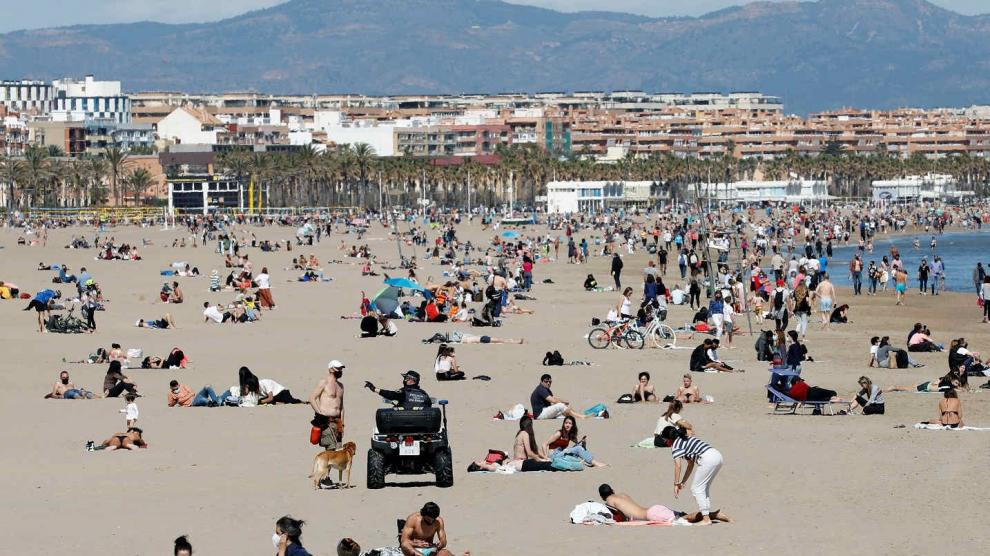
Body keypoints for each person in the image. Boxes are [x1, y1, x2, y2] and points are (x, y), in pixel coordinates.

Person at [659, 426, 726, 526]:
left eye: (665, 440)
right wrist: (683, 482)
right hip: (717, 456)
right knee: (703, 488)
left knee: (696, 489)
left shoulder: (676, 446)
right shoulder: (685, 438)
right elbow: (690, 464)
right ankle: (707, 514)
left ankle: (706, 519)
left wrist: (676, 484)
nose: (665, 442)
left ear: (669, 439)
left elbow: (678, 466)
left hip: (708, 459)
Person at [597, 484, 685, 523]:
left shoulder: (609, 500)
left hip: (651, 514)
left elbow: (617, 516)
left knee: (684, 519)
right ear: (613, 490)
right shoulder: (622, 494)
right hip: (654, 509)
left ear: (602, 497)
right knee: (683, 516)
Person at [310, 361, 346, 445]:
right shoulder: (324, 382)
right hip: (327, 422)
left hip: (337, 423)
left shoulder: (341, 386)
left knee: (339, 450)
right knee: (331, 451)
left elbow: (341, 408)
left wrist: (342, 425)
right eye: (338, 368)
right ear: (330, 369)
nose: (340, 371)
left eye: (341, 369)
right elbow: (312, 398)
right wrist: (320, 414)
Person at [366, 370, 432, 409]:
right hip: (421, 426)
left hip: (403, 425)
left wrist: (374, 389)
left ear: (411, 380)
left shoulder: (404, 392)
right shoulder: (424, 394)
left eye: (406, 378)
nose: (404, 380)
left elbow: (390, 395)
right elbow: (429, 405)